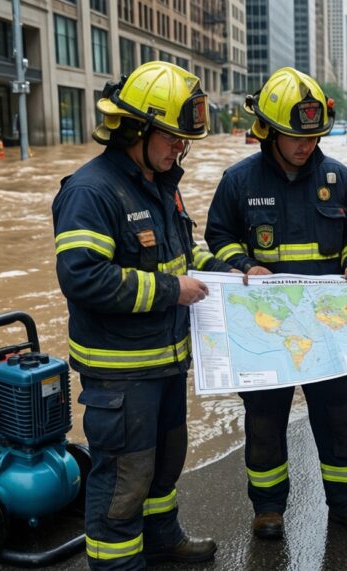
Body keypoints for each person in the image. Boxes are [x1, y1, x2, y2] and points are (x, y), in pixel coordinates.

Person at [51, 61, 233, 570]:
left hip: (166, 362)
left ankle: (161, 539)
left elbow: (186, 253)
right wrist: (172, 291)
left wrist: (233, 272)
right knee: (123, 482)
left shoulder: (158, 182)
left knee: (163, 465)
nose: (180, 149)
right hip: (122, 373)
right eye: (173, 138)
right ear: (137, 128)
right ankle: (118, 563)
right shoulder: (90, 191)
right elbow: (83, 276)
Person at [203, 67, 347, 541]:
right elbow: (215, 238)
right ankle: (268, 509)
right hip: (266, 329)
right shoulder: (238, 181)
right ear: (271, 132)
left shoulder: (337, 177)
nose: (307, 145)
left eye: (314, 136)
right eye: (296, 137)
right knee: (264, 423)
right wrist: (242, 266)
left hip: (328, 328)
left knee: (341, 418)